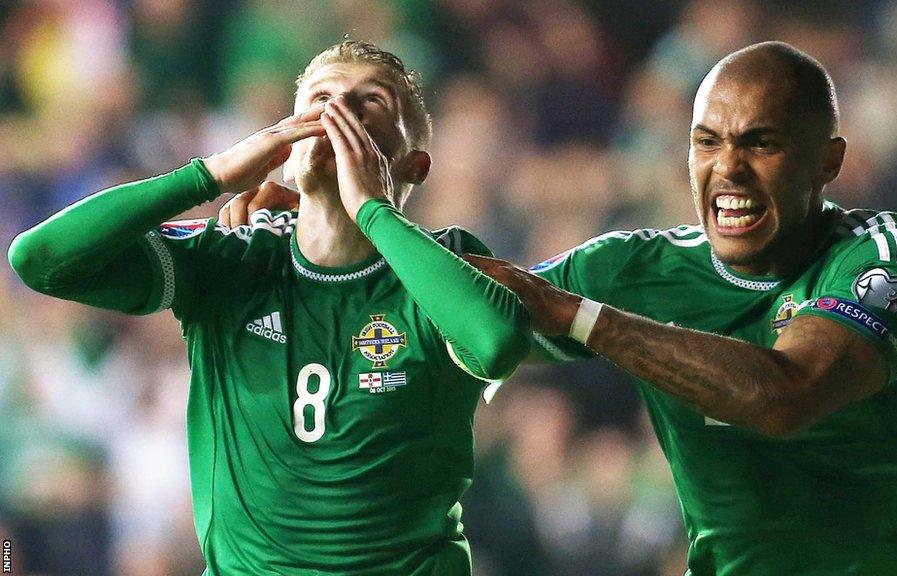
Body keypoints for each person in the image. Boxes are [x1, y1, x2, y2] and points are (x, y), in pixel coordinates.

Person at [461, 42, 897, 575]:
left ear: (828, 159)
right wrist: (377, 218)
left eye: (760, 143)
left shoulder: (886, 256)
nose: (728, 168)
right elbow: (465, 320)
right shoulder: (631, 269)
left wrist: (584, 320)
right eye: (707, 142)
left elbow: (788, 395)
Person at [7, 40, 530, 575]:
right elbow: (40, 260)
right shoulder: (230, 258)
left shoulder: (446, 265)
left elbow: (496, 344)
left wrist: (372, 208)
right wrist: (209, 175)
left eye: (369, 101)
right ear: (284, 145)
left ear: (414, 165)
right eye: (319, 98)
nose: (337, 112)